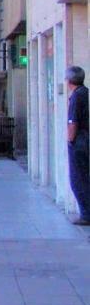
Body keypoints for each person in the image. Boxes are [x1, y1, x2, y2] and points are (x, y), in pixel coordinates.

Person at [66, 66, 90, 226]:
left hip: (80, 140)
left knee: (78, 178)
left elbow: (73, 122)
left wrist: (70, 139)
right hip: (85, 138)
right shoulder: (85, 92)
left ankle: (86, 214)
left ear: (69, 81)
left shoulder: (76, 97)